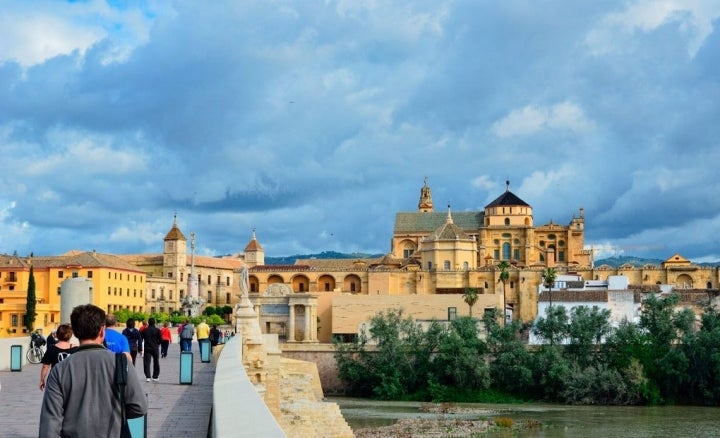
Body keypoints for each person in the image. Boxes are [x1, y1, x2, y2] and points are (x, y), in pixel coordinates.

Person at [39, 304, 147, 437]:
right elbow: (139, 407)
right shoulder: (122, 363)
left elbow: (50, 424)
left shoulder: (59, 370)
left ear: (75, 332)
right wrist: (116, 413)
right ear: (102, 331)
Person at [39, 323, 77, 391]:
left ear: (57, 335)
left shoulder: (51, 348)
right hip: (70, 380)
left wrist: (42, 380)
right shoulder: (76, 349)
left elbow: (45, 366)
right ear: (70, 335)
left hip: (54, 379)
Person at [141, 318, 162, 382]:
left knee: (147, 362)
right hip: (155, 347)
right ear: (154, 322)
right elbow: (161, 339)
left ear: (148, 322)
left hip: (147, 347)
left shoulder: (144, 330)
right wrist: (157, 343)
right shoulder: (157, 330)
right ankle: (155, 376)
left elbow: (141, 339)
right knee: (156, 362)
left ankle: (148, 376)